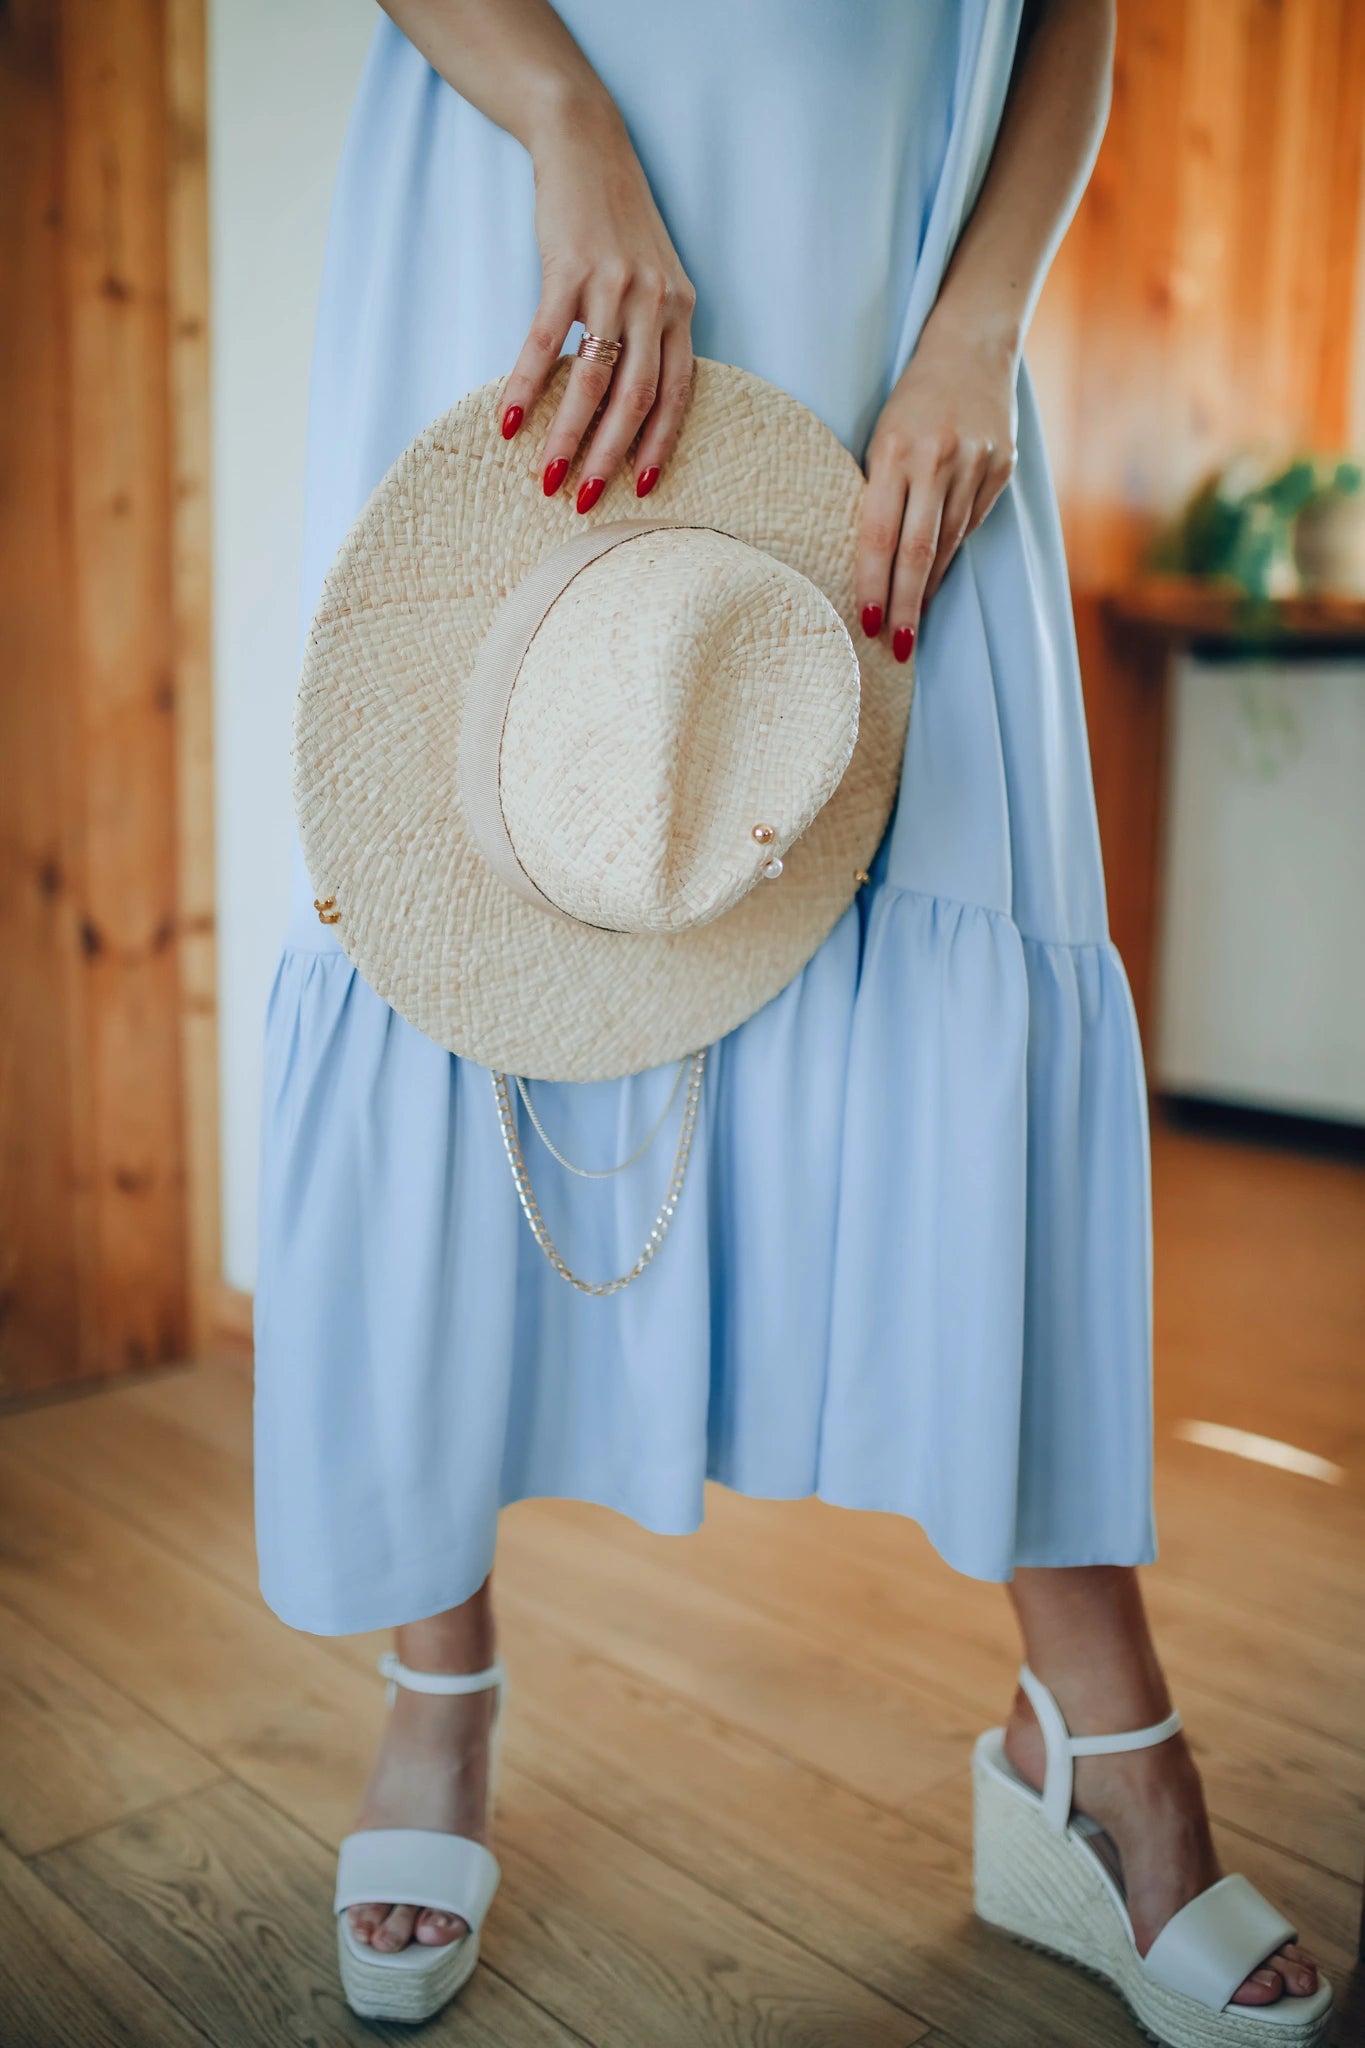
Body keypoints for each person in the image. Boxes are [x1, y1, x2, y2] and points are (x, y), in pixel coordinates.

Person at [254, 0, 1327, 2034]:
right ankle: (437, 1686)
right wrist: (561, 108)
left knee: (952, 898)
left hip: (888, 294)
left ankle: (1094, 1751)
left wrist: (975, 319)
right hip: (528, 214)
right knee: (469, 889)